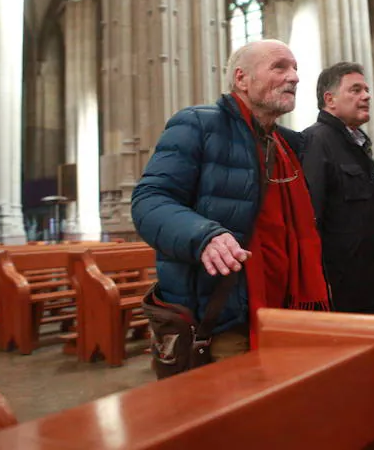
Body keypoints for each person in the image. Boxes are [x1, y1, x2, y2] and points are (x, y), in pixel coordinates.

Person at [131, 39, 329, 359]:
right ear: (241, 79)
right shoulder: (198, 124)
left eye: (295, 68)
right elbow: (149, 200)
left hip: (285, 306)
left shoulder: (288, 146)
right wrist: (204, 235)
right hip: (226, 315)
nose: (294, 77)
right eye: (279, 67)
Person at [301, 62, 374, 314]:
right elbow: (309, 221)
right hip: (343, 293)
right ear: (330, 99)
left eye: (366, 89)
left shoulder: (358, 143)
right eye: (355, 90)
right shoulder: (316, 141)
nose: (366, 96)